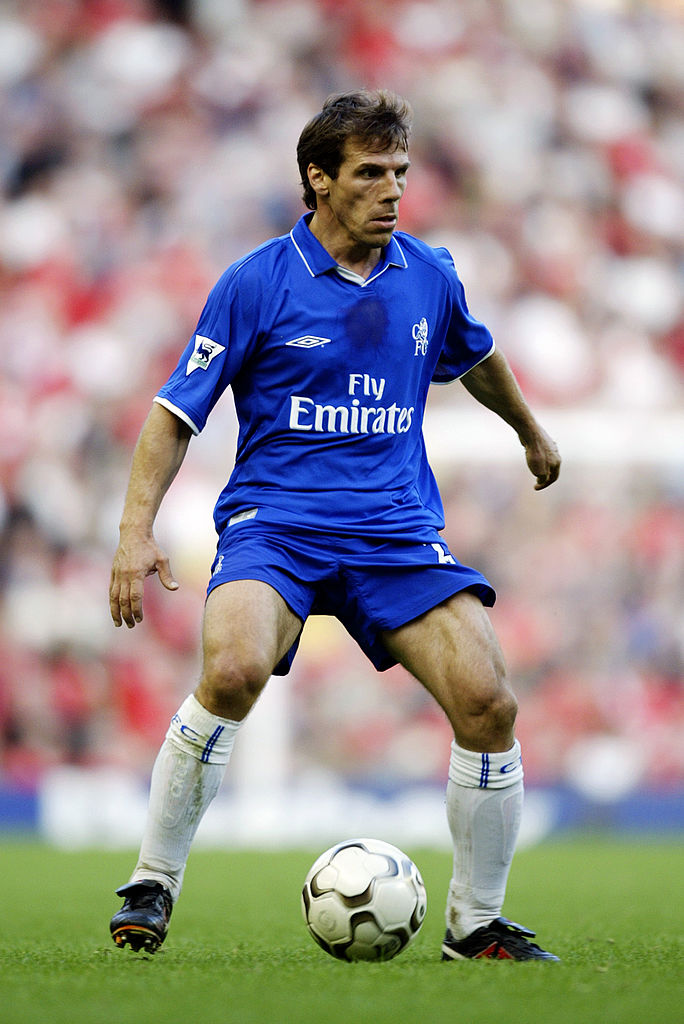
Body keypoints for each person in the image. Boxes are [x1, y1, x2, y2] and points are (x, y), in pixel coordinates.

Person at [108, 89, 561, 962]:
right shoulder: (255, 282)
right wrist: (135, 532)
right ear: (318, 178)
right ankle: (152, 883)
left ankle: (475, 925)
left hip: (394, 529)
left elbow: (476, 354)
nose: (393, 190)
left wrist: (529, 430)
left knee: (489, 702)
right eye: (370, 173)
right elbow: (174, 414)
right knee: (233, 670)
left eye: (400, 172)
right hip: (277, 523)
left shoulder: (429, 273)